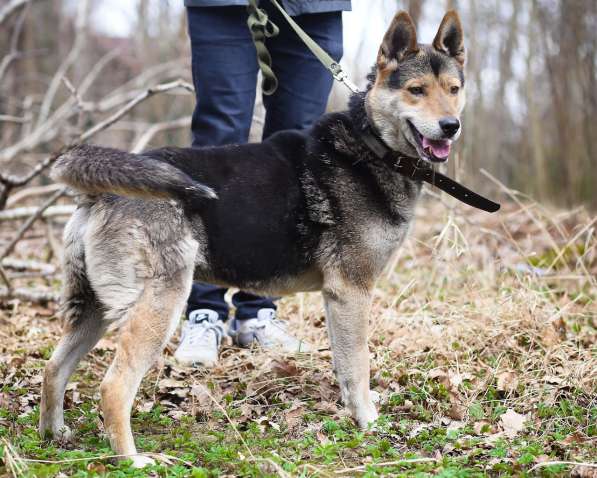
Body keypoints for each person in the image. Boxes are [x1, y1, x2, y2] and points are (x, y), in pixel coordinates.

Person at [174, 0, 350, 367]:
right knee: (218, 137)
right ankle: (204, 311)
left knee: (294, 154)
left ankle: (258, 311)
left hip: (315, 6)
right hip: (223, 5)